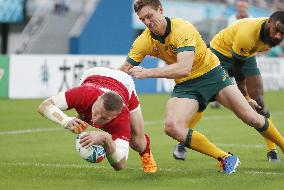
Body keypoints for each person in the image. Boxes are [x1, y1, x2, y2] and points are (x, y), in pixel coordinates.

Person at [119, 0, 284, 173]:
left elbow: (184, 68)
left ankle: (280, 146)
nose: (147, 22)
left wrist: (147, 72)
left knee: (252, 118)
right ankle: (226, 158)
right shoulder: (143, 41)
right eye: (142, 19)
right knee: (171, 127)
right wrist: (100, 79)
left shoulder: (182, 28)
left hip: (212, 75)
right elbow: (124, 69)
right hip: (186, 85)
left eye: (149, 16)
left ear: (161, 9)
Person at [174, 11, 284, 162]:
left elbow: (243, 60)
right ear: (269, 22)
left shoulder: (274, 31)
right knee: (203, 100)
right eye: (276, 30)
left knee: (259, 101)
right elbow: (238, 70)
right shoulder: (248, 34)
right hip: (218, 55)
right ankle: (182, 142)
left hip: (246, 54)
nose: (278, 36)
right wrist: (245, 97)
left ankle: (272, 150)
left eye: (282, 33)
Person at [37, 67, 157, 172]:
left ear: (115, 116)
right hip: (93, 75)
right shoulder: (83, 93)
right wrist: (65, 120)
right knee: (82, 114)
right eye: (97, 111)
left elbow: (120, 164)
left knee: (137, 142)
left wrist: (106, 139)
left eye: (104, 118)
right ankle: (84, 116)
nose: (96, 119)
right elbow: (44, 106)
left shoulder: (122, 117)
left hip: (125, 85)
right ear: (98, 99)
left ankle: (146, 154)